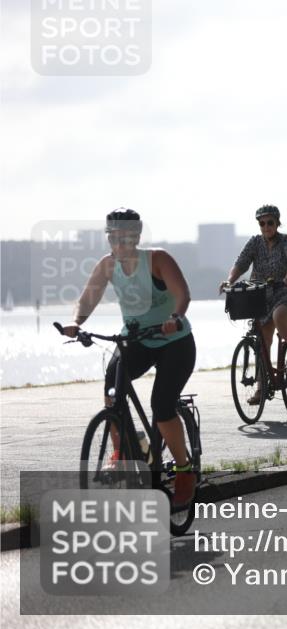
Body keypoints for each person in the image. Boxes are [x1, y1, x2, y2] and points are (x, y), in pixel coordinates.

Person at [58, 208, 197, 507]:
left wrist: (175, 316)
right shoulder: (107, 266)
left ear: (136, 237)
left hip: (174, 341)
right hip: (136, 339)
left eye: (125, 238)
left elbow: (182, 293)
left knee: (161, 404)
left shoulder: (157, 260)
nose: (118, 244)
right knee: (113, 382)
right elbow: (87, 298)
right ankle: (123, 452)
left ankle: (185, 470)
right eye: (113, 237)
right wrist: (76, 323)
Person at [220, 205, 287, 403]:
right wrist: (230, 281)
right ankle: (262, 388)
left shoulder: (286, 240)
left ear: (277, 223)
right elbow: (241, 263)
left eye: (270, 223)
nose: (266, 227)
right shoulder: (255, 243)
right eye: (262, 223)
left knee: (280, 315)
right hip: (265, 293)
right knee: (263, 338)